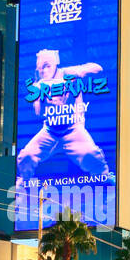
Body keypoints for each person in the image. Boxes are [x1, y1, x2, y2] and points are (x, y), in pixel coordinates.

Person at [16, 49, 113, 183]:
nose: (43, 71)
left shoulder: (68, 74)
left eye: (46, 66)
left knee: (90, 154)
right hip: (50, 132)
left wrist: (79, 71)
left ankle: (104, 178)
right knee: (26, 156)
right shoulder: (38, 86)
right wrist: (41, 98)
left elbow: (98, 68)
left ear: (55, 64)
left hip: (73, 130)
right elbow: (37, 112)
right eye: (40, 68)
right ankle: (24, 182)